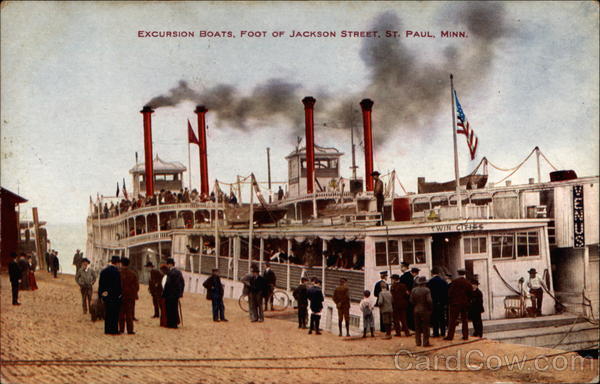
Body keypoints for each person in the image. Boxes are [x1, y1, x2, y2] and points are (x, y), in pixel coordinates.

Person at [444, 269, 472, 341]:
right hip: (464, 304)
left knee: (452, 320)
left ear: (458, 274)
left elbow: (450, 293)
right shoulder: (468, 283)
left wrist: (450, 301)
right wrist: (467, 302)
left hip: (455, 304)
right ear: (464, 274)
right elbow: (470, 294)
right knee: (464, 320)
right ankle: (465, 336)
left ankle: (450, 336)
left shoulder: (455, 282)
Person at [98, 256, 122, 335]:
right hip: (114, 296)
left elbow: (101, 284)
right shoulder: (116, 272)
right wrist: (119, 294)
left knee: (108, 313)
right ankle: (114, 330)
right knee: (114, 314)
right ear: (117, 263)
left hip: (106, 295)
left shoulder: (104, 271)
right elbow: (118, 285)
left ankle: (107, 330)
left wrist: (101, 294)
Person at [410, 276, 433, 347]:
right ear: (424, 283)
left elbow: (411, 300)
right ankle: (425, 342)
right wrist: (430, 308)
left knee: (417, 327)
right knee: (425, 327)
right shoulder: (427, 290)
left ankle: (418, 342)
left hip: (416, 309)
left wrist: (415, 305)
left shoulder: (413, 290)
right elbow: (429, 300)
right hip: (425, 309)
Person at [162, 258, 185, 328]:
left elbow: (168, 284)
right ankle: (175, 323)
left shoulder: (171, 273)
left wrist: (164, 293)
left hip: (170, 294)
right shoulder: (178, 272)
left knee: (170, 309)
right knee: (174, 309)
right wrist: (180, 293)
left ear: (170, 264)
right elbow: (182, 283)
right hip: (176, 294)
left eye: (167, 264)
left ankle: (171, 323)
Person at [119, 258, 139, 334]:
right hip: (130, 297)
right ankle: (130, 330)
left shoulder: (119, 273)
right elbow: (137, 286)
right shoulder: (133, 274)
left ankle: (121, 329)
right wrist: (133, 293)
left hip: (121, 296)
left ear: (121, 264)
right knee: (129, 314)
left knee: (121, 313)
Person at [427, 268, 449, 338]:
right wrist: (445, 302)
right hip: (442, 303)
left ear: (432, 273)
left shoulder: (430, 282)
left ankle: (435, 333)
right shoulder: (443, 282)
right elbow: (446, 293)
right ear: (439, 273)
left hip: (434, 303)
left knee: (435, 318)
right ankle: (443, 332)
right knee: (442, 318)